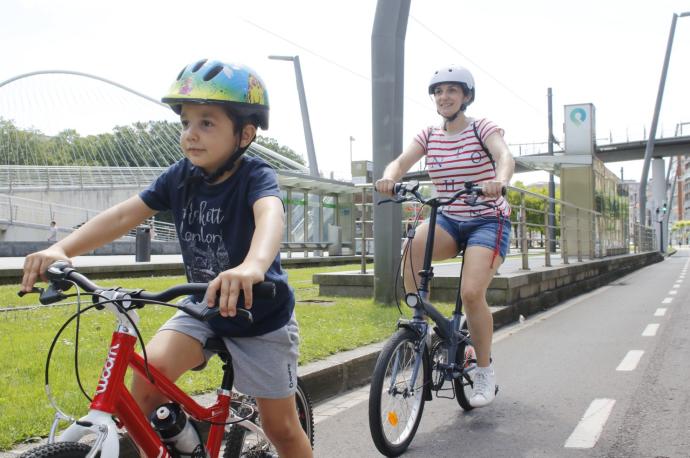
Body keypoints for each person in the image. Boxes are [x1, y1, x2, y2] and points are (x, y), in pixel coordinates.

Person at [21, 59, 313, 457]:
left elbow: (270, 217)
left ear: (244, 134)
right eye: (186, 123)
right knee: (144, 383)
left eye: (206, 123)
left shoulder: (255, 176)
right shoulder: (180, 176)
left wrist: (252, 266)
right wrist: (63, 248)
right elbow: (126, 214)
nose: (191, 134)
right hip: (204, 306)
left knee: (281, 428)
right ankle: (186, 446)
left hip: (258, 314)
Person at [375, 65, 515, 408]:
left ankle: (483, 370)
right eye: (439, 92)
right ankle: (418, 326)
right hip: (450, 217)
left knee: (470, 293)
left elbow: (504, 156)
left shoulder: (482, 128)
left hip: (488, 219)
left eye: (452, 90)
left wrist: (500, 180)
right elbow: (399, 162)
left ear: (466, 96)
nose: (444, 97)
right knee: (410, 249)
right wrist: (388, 178)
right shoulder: (428, 136)